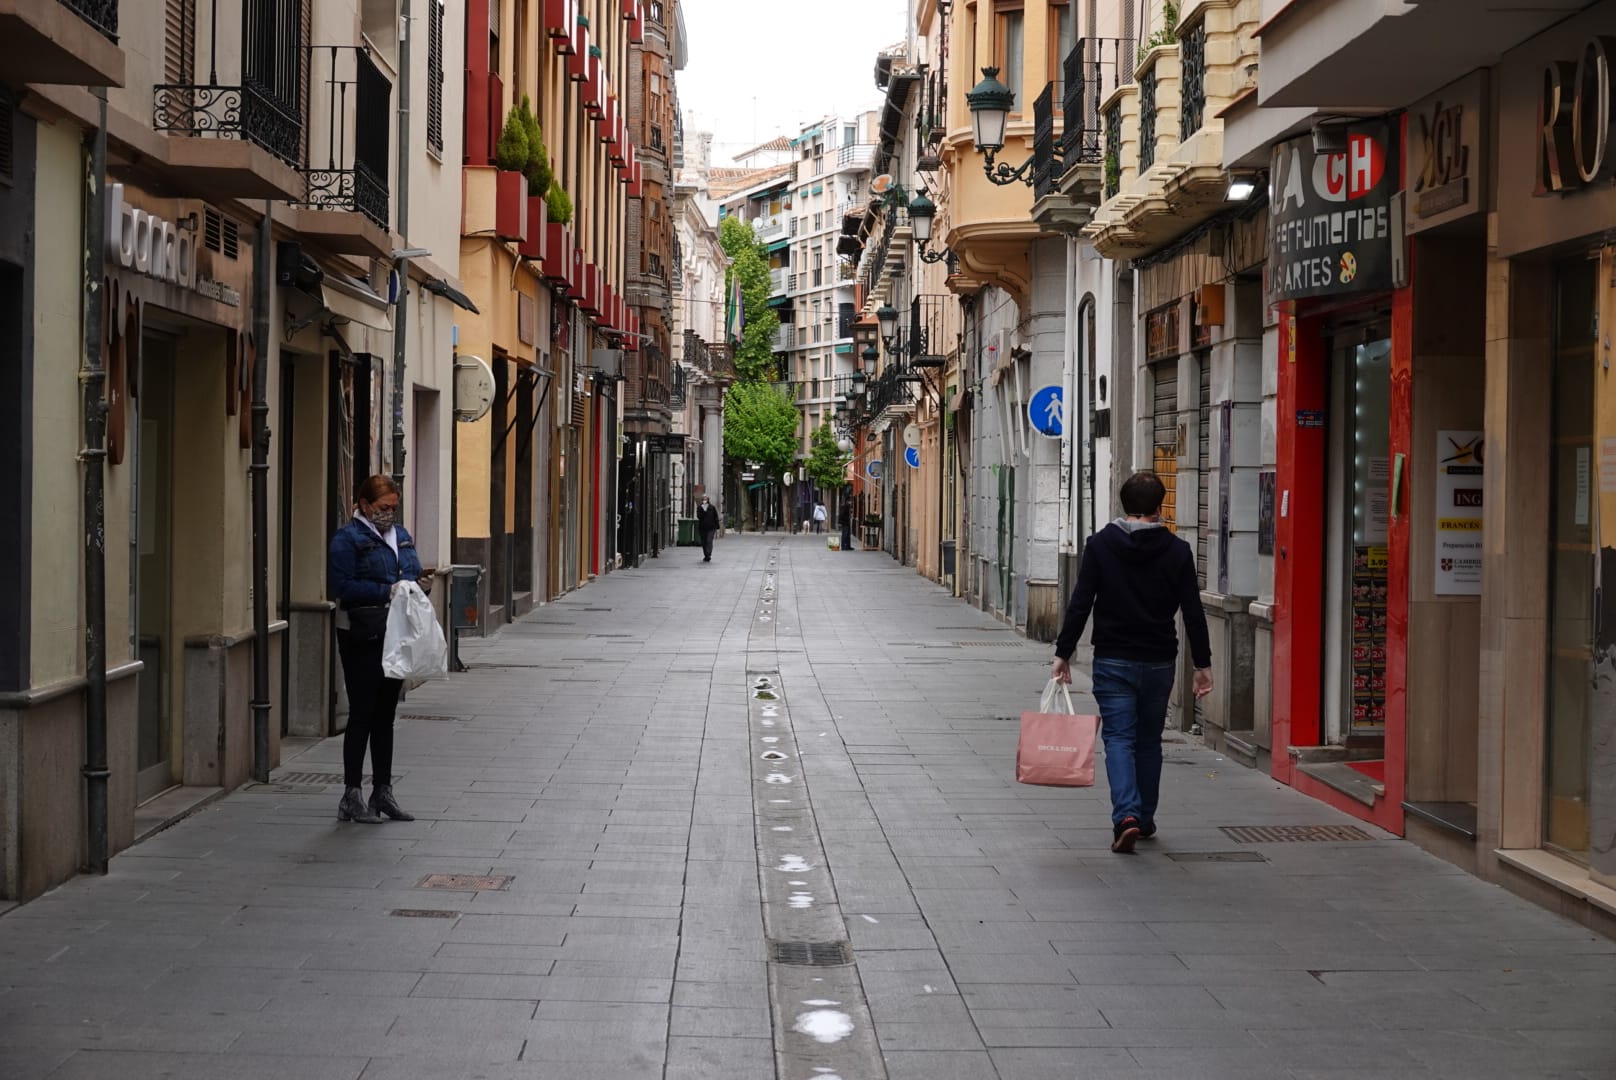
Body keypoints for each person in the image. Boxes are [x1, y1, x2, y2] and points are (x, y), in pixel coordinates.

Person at [1051, 471, 1212, 854]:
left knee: (1119, 739)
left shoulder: (1101, 545)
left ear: (1123, 505)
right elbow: (1193, 611)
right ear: (1160, 507)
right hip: (1158, 662)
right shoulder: (1177, 551)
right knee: (1148, 741)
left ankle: (1126, 815)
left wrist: (1063, 652)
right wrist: (1202, 664)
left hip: (1113, 660)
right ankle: (1144, 816)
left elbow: (1081, 602)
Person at [328, 474, 432, 824]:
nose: (390, 514)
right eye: (384, 508)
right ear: (364, 505)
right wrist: (385, 591)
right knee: (362, 712)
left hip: (395, 633)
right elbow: (341, 585)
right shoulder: (347, 539)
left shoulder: (400, 536)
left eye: (394, 508)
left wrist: (420, 583)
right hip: (361, 634)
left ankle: (383, 791)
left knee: (385, 715)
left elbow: (412, 570)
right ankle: (351, 794)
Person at [696, 495, 720, 562]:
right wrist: (704, 510)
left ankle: (709, 554)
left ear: (708, 500)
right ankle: (706, 555)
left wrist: (717, 526)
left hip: (711, 527)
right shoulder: (699, 508)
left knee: (709, 540)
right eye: (703, 499)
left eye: (706, 499)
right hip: (702, 528)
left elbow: (716, 517)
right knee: (704, 542)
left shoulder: (712, 507)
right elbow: (699, 516)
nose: (705, 500)